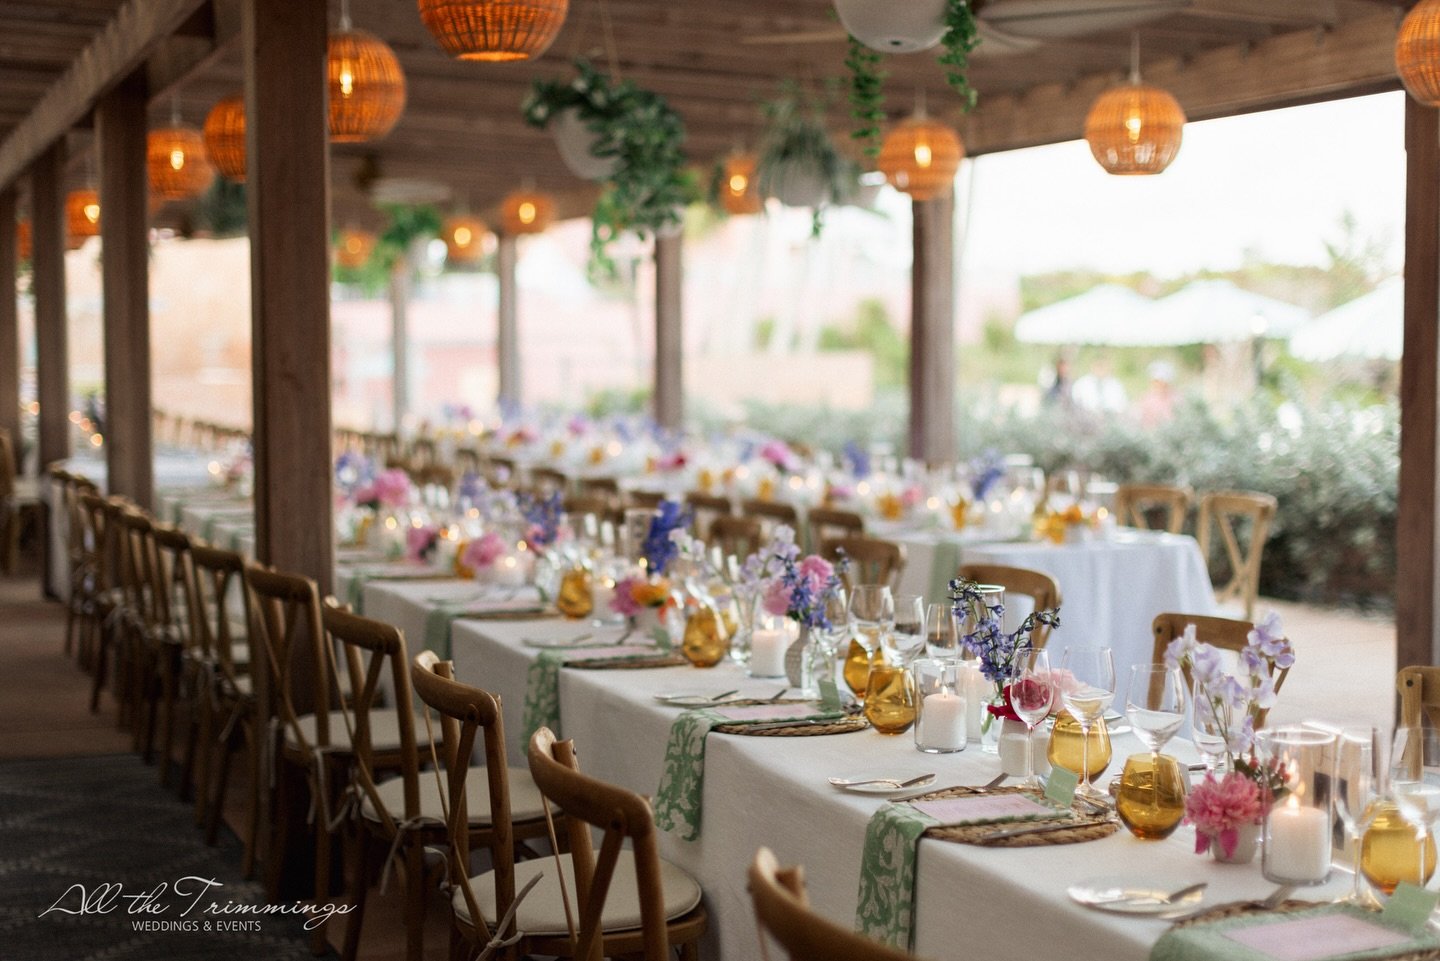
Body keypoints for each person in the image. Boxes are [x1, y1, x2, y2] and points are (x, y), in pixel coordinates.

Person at [1138, 360, 1176, 428]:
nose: (1160, 385)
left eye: (1162, 382)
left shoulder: (1176, 398)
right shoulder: (1147, 399)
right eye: (1157, 382)